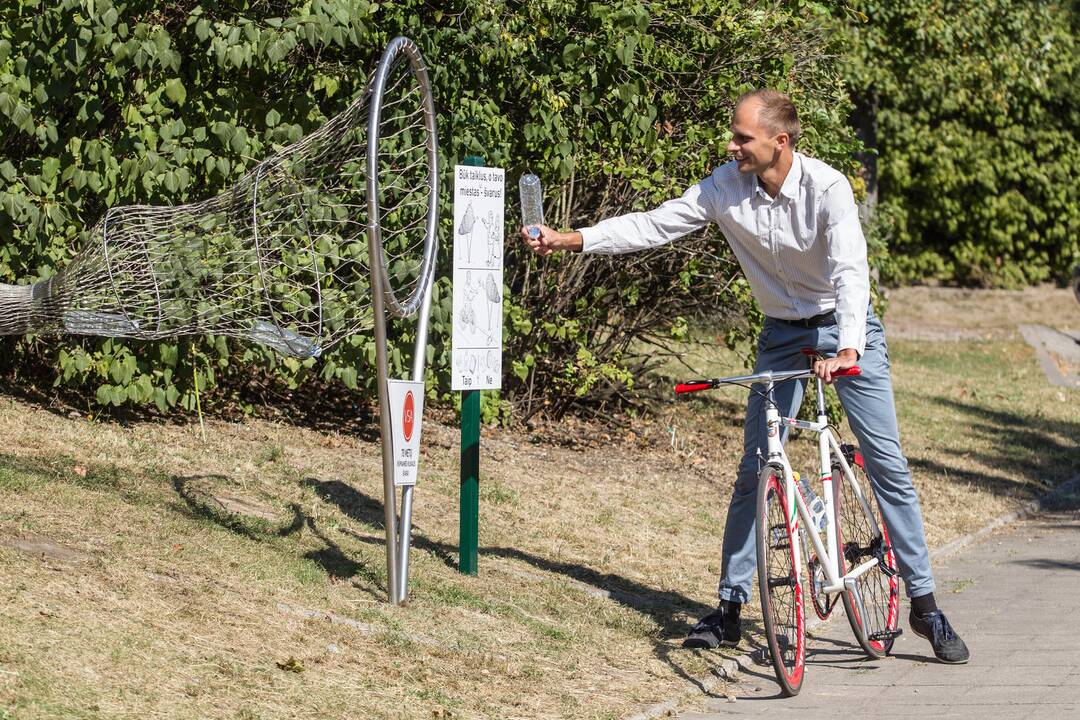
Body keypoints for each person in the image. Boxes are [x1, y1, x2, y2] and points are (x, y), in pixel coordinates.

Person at [520, 89, 969, 664]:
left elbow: (852, 272)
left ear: (779, 142)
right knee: (757, 469)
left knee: (888, 465)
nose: (730, 146)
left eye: (742, 138)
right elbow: (657, 224)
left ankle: (926, 604)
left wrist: (850, 347)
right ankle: (730, 607)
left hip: (843, 328)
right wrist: (573, 238)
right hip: (782, 333)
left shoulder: (828, 188)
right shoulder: (725, 187)